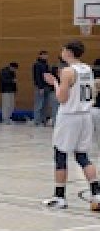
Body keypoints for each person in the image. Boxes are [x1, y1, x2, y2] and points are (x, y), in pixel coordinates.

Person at [42, 40, 100, 210]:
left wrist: (55, 83)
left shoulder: (67, 71)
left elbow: (62, 98)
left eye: (63, 50)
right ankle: (96, 194)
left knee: (60, 154)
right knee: (83, 156)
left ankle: (59, 197)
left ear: (68, 52)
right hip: (85, 116)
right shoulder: (87, 69)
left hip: (70, 116)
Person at [32, 50, 52, 126]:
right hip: (40, 87)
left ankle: (43, 120)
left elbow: (48, 76)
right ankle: (37, 121)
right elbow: (37, 76)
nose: (45, 56)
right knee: (39, 104)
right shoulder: (37, 64)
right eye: (44, 55)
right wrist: (40, 87)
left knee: (45, 105)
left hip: (47, 87)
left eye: (46, 55)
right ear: (40, 56)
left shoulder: (46, 64)